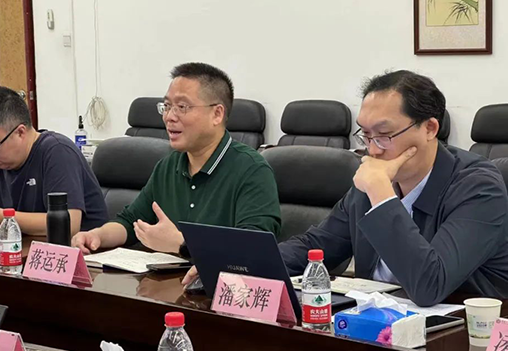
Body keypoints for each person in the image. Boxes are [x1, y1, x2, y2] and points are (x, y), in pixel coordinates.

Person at [280, 70, 508, 307]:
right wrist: (259, 262)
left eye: (384, 135)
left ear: (430, 129)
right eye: (366, 135)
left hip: (462, 324)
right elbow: (316, 246)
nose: (373, 150)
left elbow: (430, 285)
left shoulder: (479, 188)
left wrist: (382, 196)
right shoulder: (373, 180)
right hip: (375, 320)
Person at [72, 62, 281, 277]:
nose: (169, 117)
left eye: (182, 107)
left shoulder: (252, 170)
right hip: (164, 288)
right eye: (167, 106)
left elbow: (254, 251)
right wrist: (97, 236)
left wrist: (181, 243)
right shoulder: (169, 165)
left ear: (217, 114)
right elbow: (130, 221)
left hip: (218, 292)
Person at [0, 86, 108, 235]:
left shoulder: (57, 151)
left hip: (83, 257)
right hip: (20, 253)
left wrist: (0, 216)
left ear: (20, 132)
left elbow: (69, 224)